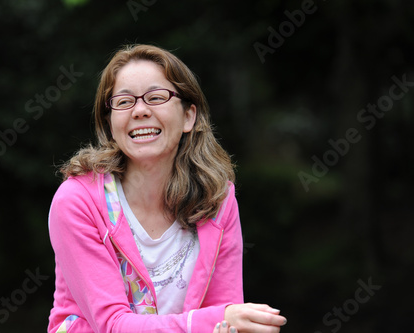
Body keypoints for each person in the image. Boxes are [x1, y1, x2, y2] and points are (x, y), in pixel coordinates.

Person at [47, 44, 287, 333]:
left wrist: (229, 324)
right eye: (123, 102)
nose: (139, 111)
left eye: (156, 97)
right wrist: (212, 322)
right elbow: (111, 325)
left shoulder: (217, 199)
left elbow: (225, 318)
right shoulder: (78, 201)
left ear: (189, 117)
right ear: (111, 123)